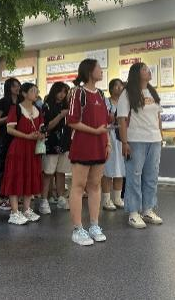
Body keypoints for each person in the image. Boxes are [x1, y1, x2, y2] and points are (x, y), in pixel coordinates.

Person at [67, 59, 110, 246]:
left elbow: (105, 122)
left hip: (100, 146)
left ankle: (94, 225)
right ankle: (77, 229)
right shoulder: (78, 93)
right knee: (78, 186)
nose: (101, 70)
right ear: (89, 71)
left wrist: (107, 142)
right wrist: (95, 131)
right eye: (99, 68)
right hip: (82, 146)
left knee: (95, 186)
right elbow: (72, 121)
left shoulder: (101, 94)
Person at [117, 63, 163, 229]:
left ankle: (147, 209)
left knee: (151, 176)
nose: (148, 71)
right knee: (134, 176)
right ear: (136, 73)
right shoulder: (127, 93)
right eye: (144, 69)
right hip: (136, 140)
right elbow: (121, 119)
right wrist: (124, 142)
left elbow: (158, 116)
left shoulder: (152, 92)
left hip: (154, 140)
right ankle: (133, 212)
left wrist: (160, 136)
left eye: (148, 69)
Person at [1, 82, 45, 225]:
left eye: (36, 90)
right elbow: (9, 129)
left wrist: (41, 135)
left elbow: (42, 128)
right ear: (24, 93)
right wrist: (27, 136)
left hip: (33, 148)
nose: (35, 93)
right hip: (19, 147)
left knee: (30, 176)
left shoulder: (38, 109)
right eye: (32, 90)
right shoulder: (16, 108)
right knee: (16, 176)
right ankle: (14, 212)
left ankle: (26, 209)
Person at [39, 82, 71, 215]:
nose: (62, 95)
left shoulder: (67, 106)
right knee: (48, 172)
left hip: (65, 143)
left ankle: (61, 197)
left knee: (61, 172)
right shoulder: (47, 106)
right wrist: (60, 116)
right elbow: (47, 127)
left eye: (65, 92)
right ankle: (44, 199)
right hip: (51, 143)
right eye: (60, 91)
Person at [0, 78, 21, 210]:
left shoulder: (21, 102)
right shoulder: (3, 102)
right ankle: (4, 196)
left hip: (19, 138)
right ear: (9, 87)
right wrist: (8, 119)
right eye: (14, 86)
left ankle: (15, 195)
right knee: (4, 168)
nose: (17, 88)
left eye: (18, 86)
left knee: (16, 168)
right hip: (5, 139)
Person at [102, 78, 125, 211]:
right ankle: (106, 199)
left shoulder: (124, 102)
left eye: (121, 85)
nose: (119, 88)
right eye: (116, 86)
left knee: (120, 168)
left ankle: (117, 198)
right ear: (111, 89)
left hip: (121, 137)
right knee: (108, 169)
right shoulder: (107, 101)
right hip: (110, 136)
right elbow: (104, 119)